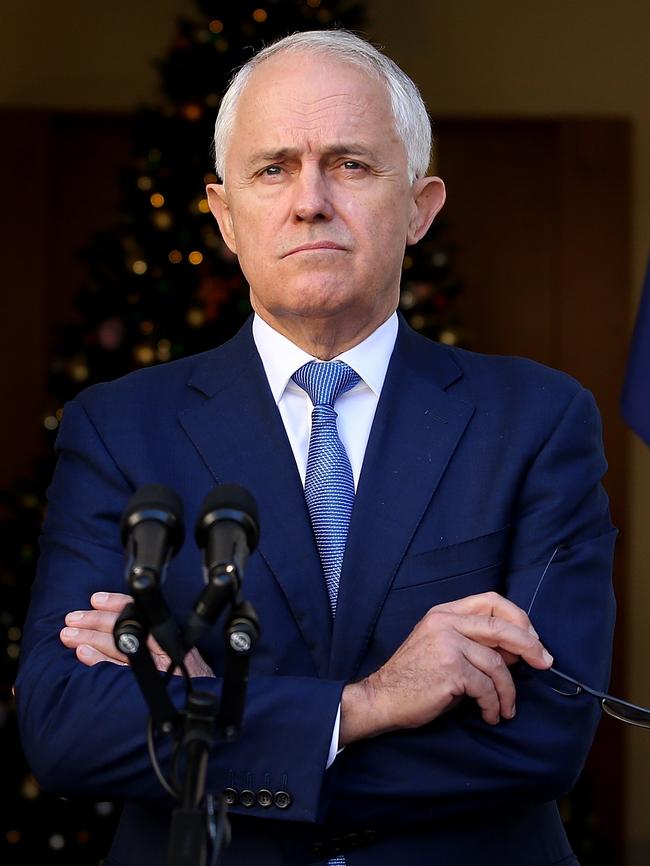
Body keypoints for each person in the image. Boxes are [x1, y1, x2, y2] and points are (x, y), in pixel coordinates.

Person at [17, 30, 616, 866]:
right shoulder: (119, 429)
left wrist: (208, 711)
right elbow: (67, 726)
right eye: (273, 169)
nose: (309, 201)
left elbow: (543, 734)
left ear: (420, 206)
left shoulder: (539, 420)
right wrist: (369, 703)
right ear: (224, 216)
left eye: (351, 164)